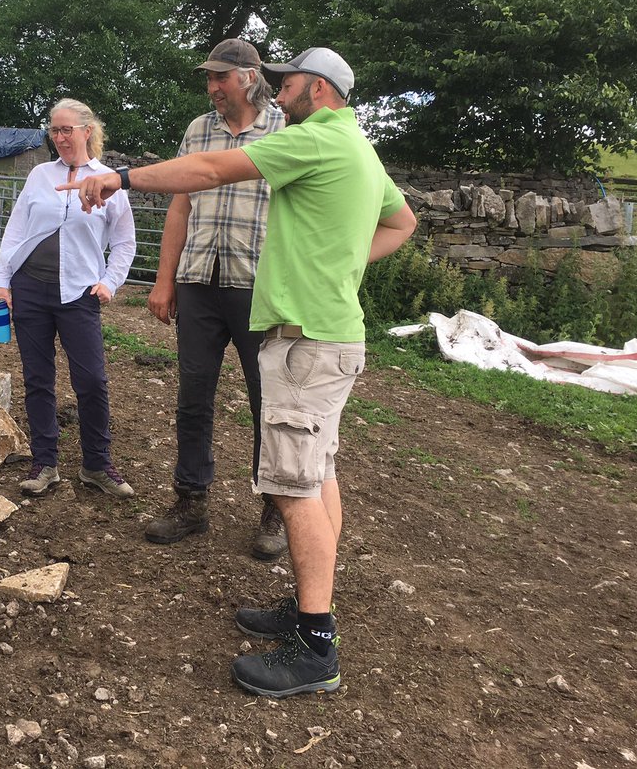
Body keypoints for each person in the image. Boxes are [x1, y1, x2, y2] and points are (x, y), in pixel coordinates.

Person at [59, 48, 417, 697]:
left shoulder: (315, 139)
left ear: (319, 88)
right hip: (327, 334)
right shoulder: (358, 146)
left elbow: (210, 169)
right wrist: (340, 265)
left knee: (294, 488)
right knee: (319, 474)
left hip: (307, 342)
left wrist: (120, 178)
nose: (279, 92)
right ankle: (309, 607)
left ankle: (316, 647)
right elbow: (402, 221)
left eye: (288, 82)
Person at [142, 38, 288, 560]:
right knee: (193, 396)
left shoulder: (286, 130)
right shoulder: (199, 130)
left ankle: (276, 509)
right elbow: (180, 206)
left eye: (220, 77)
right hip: (199, 281)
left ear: (248, 77)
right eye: (209, 78)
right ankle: (191, 501)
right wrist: (164, 280)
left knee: (268, 402)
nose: (212, 87)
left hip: (259, 285)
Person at [0, 98, 137, 499]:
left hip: (80, 292)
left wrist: (110, 282)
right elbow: (16, 230)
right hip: (30, 289)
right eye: (54, 130)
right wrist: (1, 282)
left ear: (87, 131)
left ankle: (97, 464)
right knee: (38, 378)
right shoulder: (39, 175)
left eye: (67, 129)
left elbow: (124, 242)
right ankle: (44, 463)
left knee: (92, 380)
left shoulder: (108, 180)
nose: (60, 137)